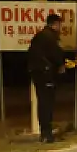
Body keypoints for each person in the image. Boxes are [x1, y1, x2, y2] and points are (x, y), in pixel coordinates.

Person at [27, 14, 68, 142]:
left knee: (43, 102)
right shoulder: (50, 37)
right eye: (60, 25)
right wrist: (61, 65)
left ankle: (45, 133)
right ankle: (46, 134)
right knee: (46, 104)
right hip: (46, 74)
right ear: (55, 24)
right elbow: (56, 55)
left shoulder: (39, 36)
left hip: (37, 73)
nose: (61, 28)